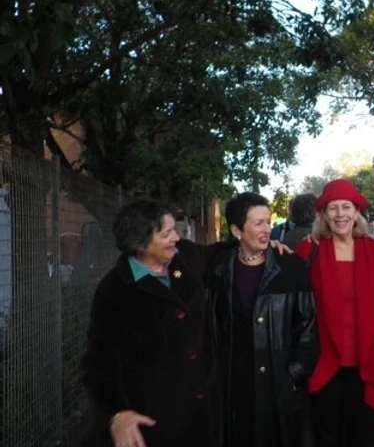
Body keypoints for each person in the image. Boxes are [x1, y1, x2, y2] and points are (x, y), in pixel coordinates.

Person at [82, 199, 222, 447]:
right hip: (155, 423)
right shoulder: (115, 290)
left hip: (201, 415)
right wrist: (117, 414)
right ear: (139, 242)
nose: (176, 238)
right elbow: (100, 361)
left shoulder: (184, 258)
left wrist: (261, 245)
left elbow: (219, 254)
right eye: (166, 233)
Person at [208, 192, 318, 447]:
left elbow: (309, 328)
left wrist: (295, 374)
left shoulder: (291, 267)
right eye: (258, 223)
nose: (267, 229)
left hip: (280, 384)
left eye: (268, 221)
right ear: (237, 230)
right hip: (235, 384)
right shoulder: (218, 269)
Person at [293, 179, 374, 447]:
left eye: (346, 207)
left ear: (356, 212)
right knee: (328, 438)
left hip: (365, 364)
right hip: (325, 362)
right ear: (324, 214)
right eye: (333, 208)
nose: (340, 214)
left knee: (365, 436)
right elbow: (289, 291)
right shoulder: (309, 249)